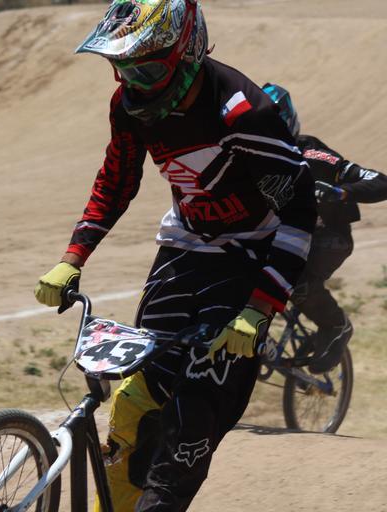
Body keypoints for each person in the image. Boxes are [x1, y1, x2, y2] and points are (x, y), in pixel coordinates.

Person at [33, 1, 316, 510]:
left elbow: (299, 211)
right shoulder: (127, 105)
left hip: (250, 255)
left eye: (144, 70)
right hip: (184, 246)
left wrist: (260, 307)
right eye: (121, 68)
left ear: (186, 55)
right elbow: (116, 181)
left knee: (194, 412)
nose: (132, 83)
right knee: (137, 399)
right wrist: (73, 257)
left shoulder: (243, 114)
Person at [262, 83, 387, 373]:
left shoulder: (312, 154)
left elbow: (381, 181)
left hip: (329, 236)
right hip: (281, 236)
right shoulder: (247, 155)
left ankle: (336, 326)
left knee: (296, 278)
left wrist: (340, 192)